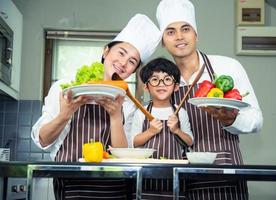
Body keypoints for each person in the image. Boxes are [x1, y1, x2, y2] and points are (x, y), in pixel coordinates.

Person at [31, 14, 161, 200]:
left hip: (113, 188)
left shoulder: (127, 102)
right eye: (121, 53)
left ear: (134, 70)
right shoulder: (66, 87)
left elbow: (122, 154)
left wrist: (116, 116)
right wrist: (66, 114)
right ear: (106, 51)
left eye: (132, 61)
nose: (124, 63)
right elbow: (43, 140)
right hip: (70, 186)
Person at [156, 0, 263, 199]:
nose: (179, 36)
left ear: (196, 33)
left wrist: (230, 120)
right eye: (170, 31)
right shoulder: (163, 80)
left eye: (185, 29)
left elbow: (256, 120)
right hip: (180, 177)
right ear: (163, 40)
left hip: (224, 174)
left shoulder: (227, 67)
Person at [130, 57, 193, 199]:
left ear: (176, 86)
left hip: (175, 178)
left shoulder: (180, 112)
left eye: (167, 79)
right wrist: (150, 132)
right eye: (154, 80)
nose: (161, 84)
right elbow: (133, 142)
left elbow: (189, 142)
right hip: (145, 177)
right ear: (146, 87)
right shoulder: (141, 112)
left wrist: (177, 130)